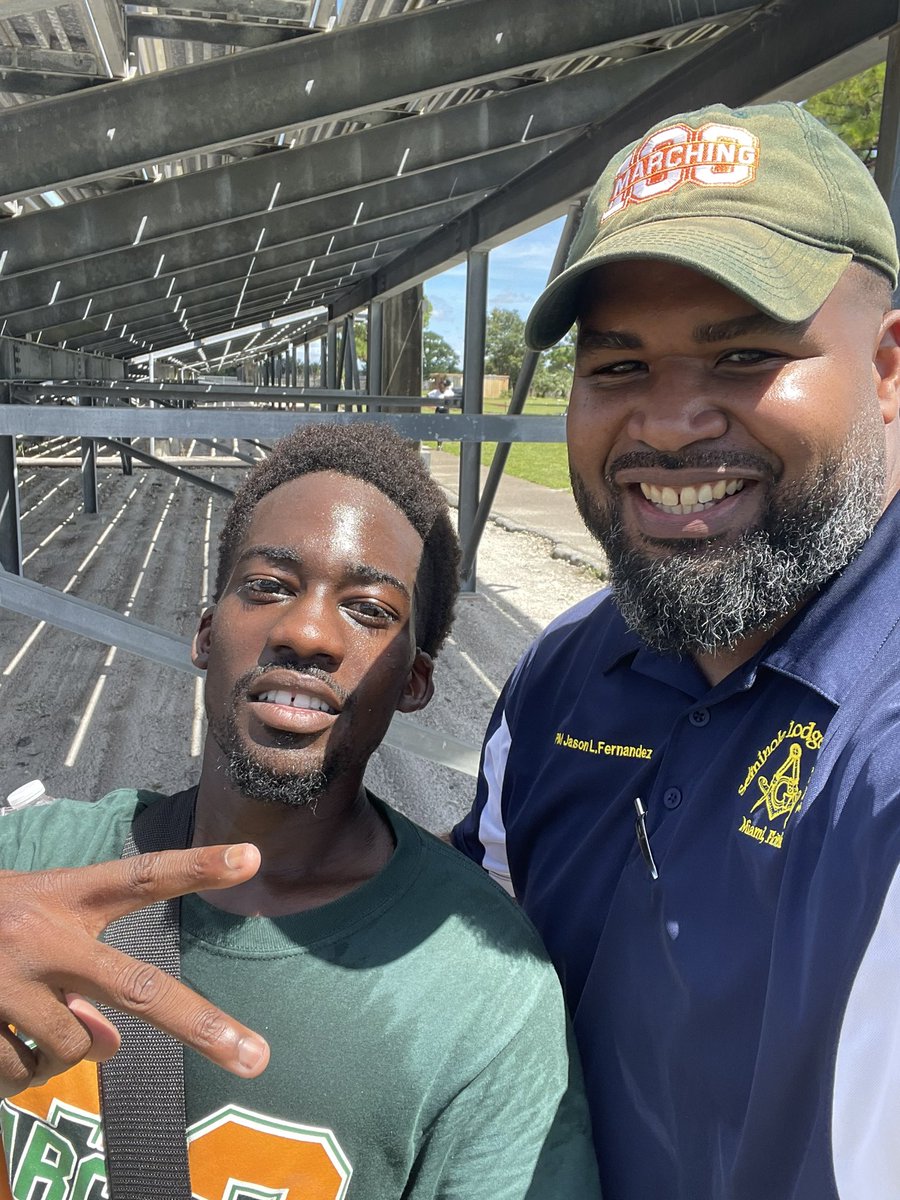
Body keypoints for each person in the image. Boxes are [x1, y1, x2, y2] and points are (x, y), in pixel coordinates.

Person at [453, 100, 900, 1199]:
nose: (667, 424)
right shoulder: (563, 672)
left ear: (889, 372)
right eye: (616, 368)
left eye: (745, 354)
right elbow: (458, 961)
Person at [0, 423, 600, 1198]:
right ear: (207, 634)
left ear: (414, 682)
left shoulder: (484, 997)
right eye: (269, 586)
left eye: (369, 610)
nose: (307, 631)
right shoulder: (30, 870)